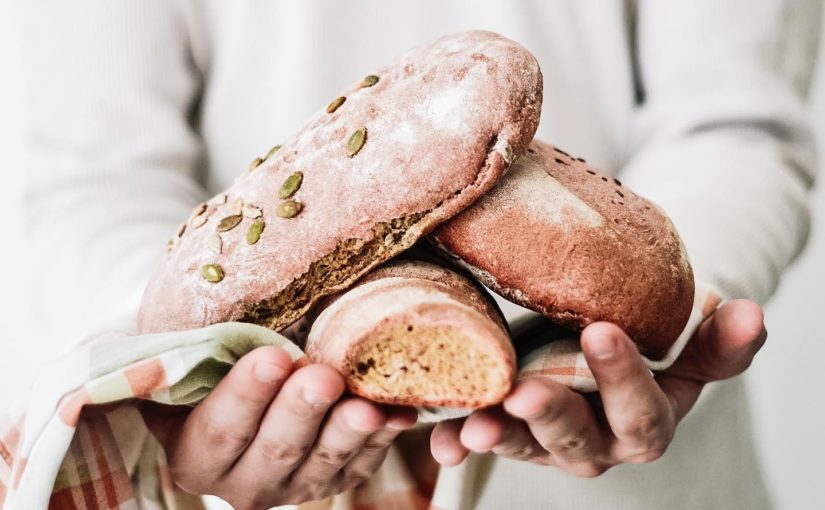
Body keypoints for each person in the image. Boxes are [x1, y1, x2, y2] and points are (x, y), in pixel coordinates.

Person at [20, 1, 819, 509]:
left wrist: (682, 313)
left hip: (639, 475)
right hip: (275, 458)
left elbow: (735, 124)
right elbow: (95, 172)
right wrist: (182, 374)